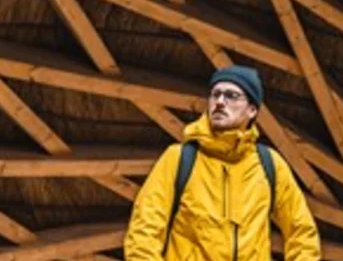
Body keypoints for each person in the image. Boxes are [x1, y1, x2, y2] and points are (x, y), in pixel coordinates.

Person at [124, 65, 321, 260]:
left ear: (252, 110)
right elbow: (144, 232)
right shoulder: (178, 159)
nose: (219, 102)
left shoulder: (270, 164)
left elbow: (302, 233)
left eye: (231, 96)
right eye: (215, 94)